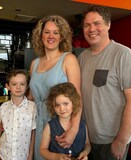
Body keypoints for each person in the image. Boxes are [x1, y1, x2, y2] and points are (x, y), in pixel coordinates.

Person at [78, 5, 131, 160]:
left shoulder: (123, 55)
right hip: (88, 139)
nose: (91, 29)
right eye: (87, 25)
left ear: (108, 24)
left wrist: (121, 140)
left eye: (97, 23)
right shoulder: (82, 57)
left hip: (112, 140)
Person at [28, 15, 81, 160]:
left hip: (59, 124)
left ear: (61, 36)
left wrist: (73, 129)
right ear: (40, 35)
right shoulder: (34, 64)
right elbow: (30, 98)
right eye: (47, 32)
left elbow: (77, 97)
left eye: (56, 32)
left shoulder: (69, 59)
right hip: (37, 123)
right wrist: (11, 115)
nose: (51, 36)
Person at [0, 69, 37, 160]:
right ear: (7, 86)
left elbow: (33, 133)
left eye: (22, 84)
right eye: (14, 84)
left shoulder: (32, 107)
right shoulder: (3, 107)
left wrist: (30, 155)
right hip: (4, 154)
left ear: (27, 86)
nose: (18, 87)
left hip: (22, 156)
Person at [40, 82, 91, 160]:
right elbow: (42, 150)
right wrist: (56, 157)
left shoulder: (82, 124)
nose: (62, 109)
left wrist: (85, 152)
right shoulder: (50, 126)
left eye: (65, 104)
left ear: (74, 102)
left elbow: (87, 144)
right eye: (57, 105)